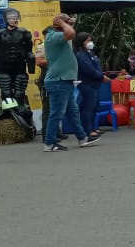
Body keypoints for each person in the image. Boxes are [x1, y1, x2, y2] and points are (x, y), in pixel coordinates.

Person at [43, 13, 100, 152]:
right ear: (60, 24)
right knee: (56, 113)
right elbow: (71, 33)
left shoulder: (59, 35)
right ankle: (49, 143)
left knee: (73, 112)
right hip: (58, 80)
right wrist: (63, 23)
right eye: (68, 23)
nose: (70, 25)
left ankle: (82, 138)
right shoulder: (53, 36)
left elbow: (70, 32)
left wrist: (65, 23)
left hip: (64, 80)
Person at [0, 8, 35, 110]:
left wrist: (31, 66)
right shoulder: (0, 35)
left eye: (14, 18)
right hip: (4, 69)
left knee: (19, 93)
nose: (12, 20)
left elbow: (29, 51)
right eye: (10, 18)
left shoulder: (24, 33)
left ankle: (20, 112)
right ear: (6, 19)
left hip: (19, 68)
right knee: (6, 94)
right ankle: (8, 114)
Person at [74, 32, 105, 140]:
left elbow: (97, 67)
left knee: (93, 107)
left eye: (90, 40)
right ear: (81, 42)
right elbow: (89, 70)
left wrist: (101, 76)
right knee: (87, 108)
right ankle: (87, 130)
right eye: (88, 40)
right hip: (87, 84)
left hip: (95, 84)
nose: (90, 42)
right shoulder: (80, 55)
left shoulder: (90, 53)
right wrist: (102, 76)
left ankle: (92, 128)